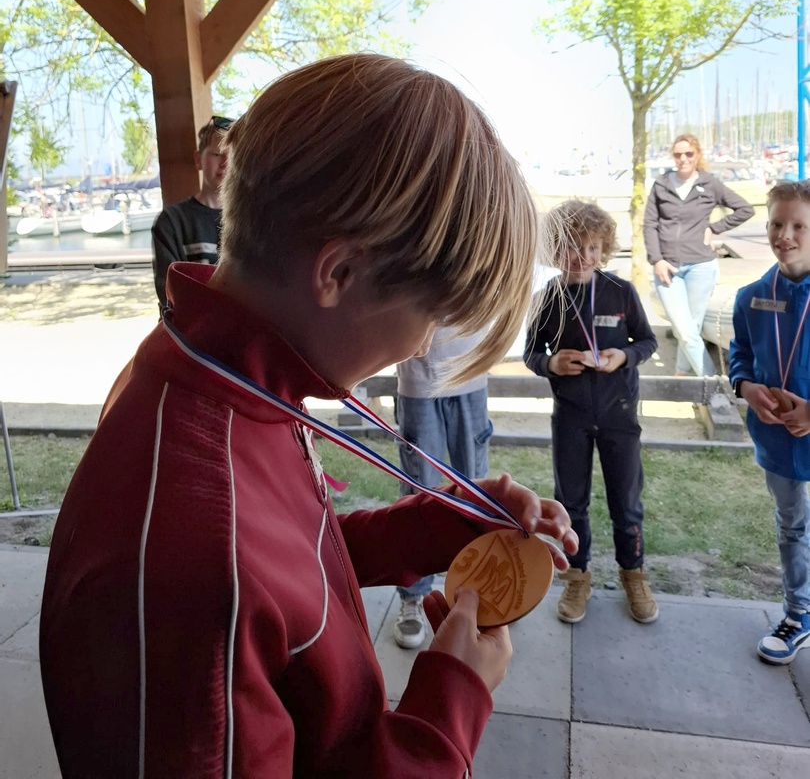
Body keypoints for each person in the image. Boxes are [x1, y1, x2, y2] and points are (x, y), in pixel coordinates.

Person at [39, 53, 577, 779]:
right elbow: (232, 577)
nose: (423, 344)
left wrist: (437, 527)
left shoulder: (228, 380)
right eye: (432, 315)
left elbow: (284, 570)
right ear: (338, 272)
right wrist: (446, 710)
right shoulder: (190, 555)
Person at [524, 200, 658, 624]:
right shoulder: (547, 298)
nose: (583, 256)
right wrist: (551, 363)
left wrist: (624, 356)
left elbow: (648, 342)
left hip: (619, 414)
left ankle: (633, 575)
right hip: (572, 416)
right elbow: (531, 353)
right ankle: (577, 577)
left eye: (593, 247)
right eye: (571, 246)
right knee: (571, 501)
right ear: (555, 249)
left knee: (626, 501)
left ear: (605, 250)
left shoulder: (621, 292)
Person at [729, 180, 810, 665]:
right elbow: (739, 353)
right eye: (778, 224)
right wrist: (744, 387)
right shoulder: (751, 297)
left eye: (800, 225)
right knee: (791, 525)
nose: (786, 235)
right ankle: (799, 612)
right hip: (777, 439)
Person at [393, 326, 491, 649]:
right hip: (418, 380)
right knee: (418, 496)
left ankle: (478, 593)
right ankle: (414, 596)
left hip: (471, 373)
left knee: (476, 496)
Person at [643, 133, 754, 376]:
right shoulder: (661, 184)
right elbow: (649, 224)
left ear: (697, 155)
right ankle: (712, 381)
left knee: (691, 327)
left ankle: (681, 373)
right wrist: (657, 259)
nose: (683, 159)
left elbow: (745, 209)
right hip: (668, 267)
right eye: (678, 154)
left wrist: (714, 228)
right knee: (683, 329)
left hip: (701, 266)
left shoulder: (710, 184)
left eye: (688, 154)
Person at [151, 114, 234, 312]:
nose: (225, 162)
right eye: (217, 154)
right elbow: (169, 294)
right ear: (198, 160)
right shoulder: (171, 222)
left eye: (233, 154)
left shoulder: (252, 220)